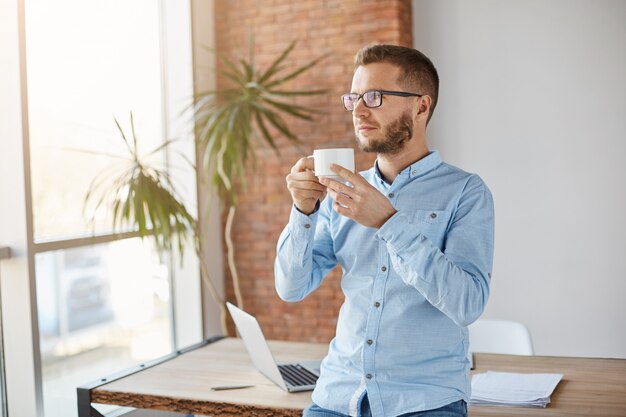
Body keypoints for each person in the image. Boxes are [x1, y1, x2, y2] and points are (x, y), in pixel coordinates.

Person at [274, 44, 494, 417]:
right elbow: (291, 288)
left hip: (424, 402)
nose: (359, 110)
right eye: (354, 98)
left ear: (421, 106)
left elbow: (467, 303)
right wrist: (303, 209)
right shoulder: (341, 190)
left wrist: (389, 222)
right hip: (336, 397)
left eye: (374, 97)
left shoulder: (466, 193)